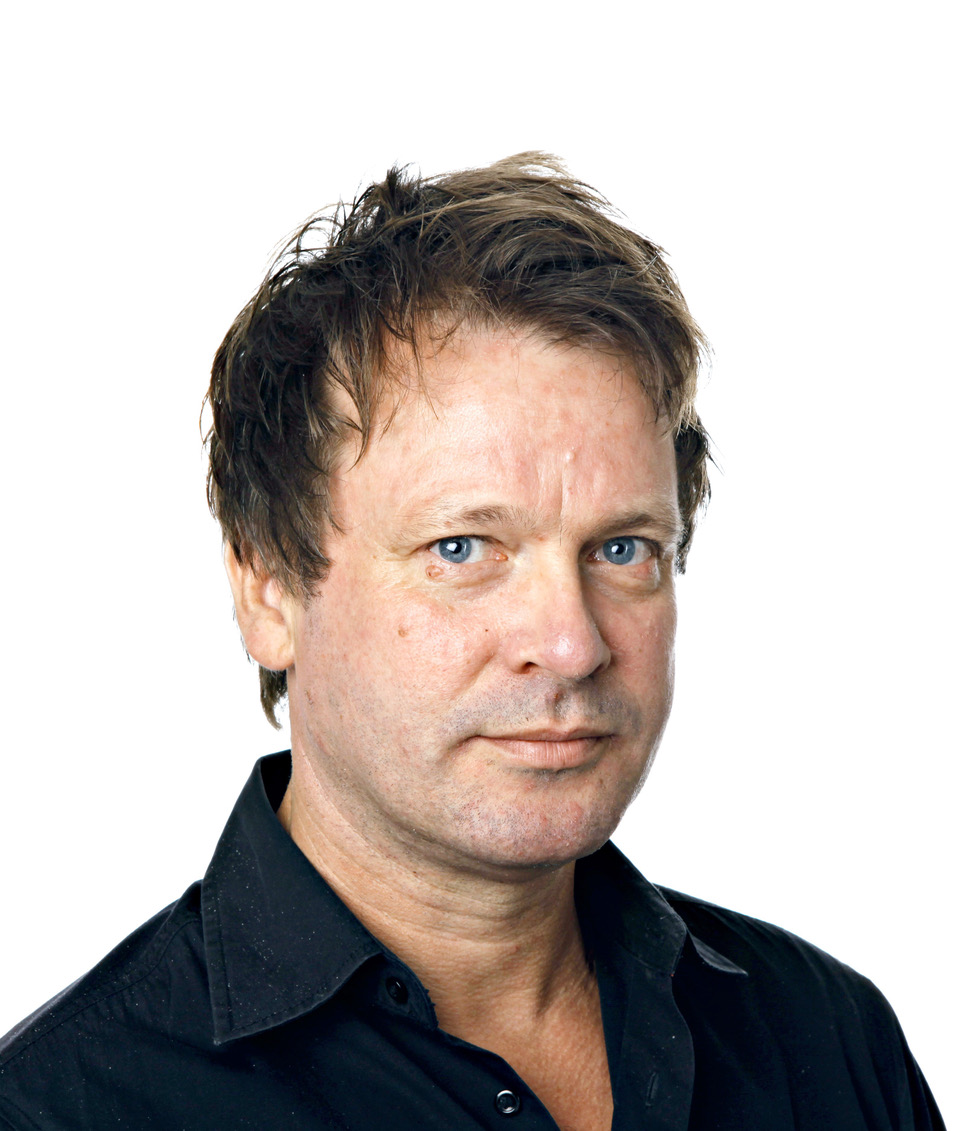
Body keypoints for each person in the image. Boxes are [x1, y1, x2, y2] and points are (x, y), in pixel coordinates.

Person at [0, 154, 944, 1130]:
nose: (571, 644)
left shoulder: (827, 1038)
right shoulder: (63, 1109)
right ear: (268, 588)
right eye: (461, 548)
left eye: (622, 549)